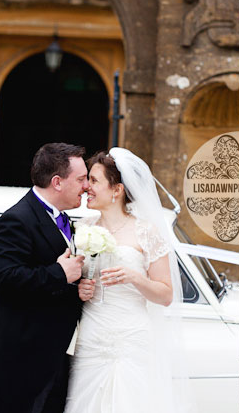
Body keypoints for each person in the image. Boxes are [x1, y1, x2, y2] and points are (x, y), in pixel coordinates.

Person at [64, 148, 191, 413]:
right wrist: (81, 288)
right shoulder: (83, 228)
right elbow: (73, 275)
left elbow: (166, 295)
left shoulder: (147, 232)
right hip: (92, 335)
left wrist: (135, 278)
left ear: (117, 190)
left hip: (131, 336)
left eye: (94, 181)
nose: (87, 187)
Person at [0, 143, 89, 413]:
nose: (86, 187)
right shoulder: (17, 220)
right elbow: (4, 278)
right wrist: (59, 273)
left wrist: (78, 288)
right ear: (57, 182)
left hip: (54, 359)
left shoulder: (66, 220)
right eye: (82, 179)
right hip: (20, 364)